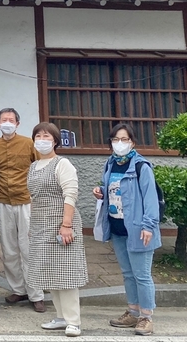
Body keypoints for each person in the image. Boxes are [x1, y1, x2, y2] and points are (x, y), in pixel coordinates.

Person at [93, 123, 161, 336]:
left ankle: (146, 317)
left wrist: (149, 226)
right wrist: (101, 190)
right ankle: (133, 311)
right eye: (115, 139)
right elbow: (115, 189)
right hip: (117, 227)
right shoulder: (111, 164)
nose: (119, 143)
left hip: (139, 229)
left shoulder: (141, 166)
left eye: (124, 139)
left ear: (132, 142)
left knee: (142, 275)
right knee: (128, 274)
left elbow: (150, 199)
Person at [27, 122, 87, 338]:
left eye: (46, 136)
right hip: (41, 225)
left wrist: (67, 225)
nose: (42, 139)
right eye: (38, 136)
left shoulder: (63, 163)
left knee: (67, 272)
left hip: (62, 224)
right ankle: (61, 317)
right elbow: (33, 198)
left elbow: (70, 193)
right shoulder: (34, 166)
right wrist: (32, 226)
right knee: (51, 272)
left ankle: (74, 321)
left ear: (55, 141)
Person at [0, 108, 45, 313]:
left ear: (18, 124)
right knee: (9, 249)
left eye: (11, 120)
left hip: (26, 201)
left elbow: (41, 167)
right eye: (4, 120)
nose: (8, 123)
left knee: (29, 248)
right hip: (2, 200)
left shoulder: (29, 144)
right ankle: (18, 289)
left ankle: (36, 294)